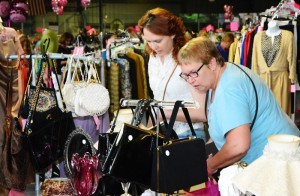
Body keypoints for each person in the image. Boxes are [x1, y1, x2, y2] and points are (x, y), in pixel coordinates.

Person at [177, 36, 300, 181]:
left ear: (211, 63)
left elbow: (238, 146)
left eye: (193, 73)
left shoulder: (229, 88)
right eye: (185, 75)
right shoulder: (223, 75)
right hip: (277, 160)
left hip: (278, 166)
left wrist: (209, 166)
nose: (190, 80)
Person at [137, 7, 206, 141]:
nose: (153, 46)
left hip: (188, 134)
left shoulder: (190, 59)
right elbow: (157, 99)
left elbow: (202, 113)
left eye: (158, 41)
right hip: (161, 133)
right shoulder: (153, 58)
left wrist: (165, 114)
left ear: (173, 34)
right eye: (148, 41)